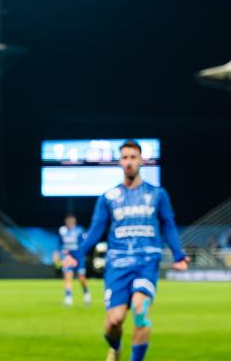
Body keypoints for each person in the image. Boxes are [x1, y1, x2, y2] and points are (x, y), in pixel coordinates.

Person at [63, 140, 189, 361]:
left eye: (133, 157)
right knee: (114, 322)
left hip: (146, 262)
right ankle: (116, 348)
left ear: (141, 161)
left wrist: (178, 254)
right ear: (119, 162)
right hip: (117, 264)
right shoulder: (108, 197)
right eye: (125, 157)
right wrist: (77, 254)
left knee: (140, 312)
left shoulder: (158, 194)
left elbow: (168, 225)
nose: (129, 162)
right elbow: (96, 229)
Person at [53, 213, 91, 306]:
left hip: (78, 257)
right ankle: (68, 298)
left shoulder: (80, 230)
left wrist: (82, 254)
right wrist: (57, 253)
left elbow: (85, 243)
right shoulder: (63, 231)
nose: (69, 222)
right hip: (68, 257)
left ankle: (86, 293)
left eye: (71, 221)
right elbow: (59, 243)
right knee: (67, 276)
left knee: (81, 278)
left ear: (74, 221)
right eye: (68, 221)